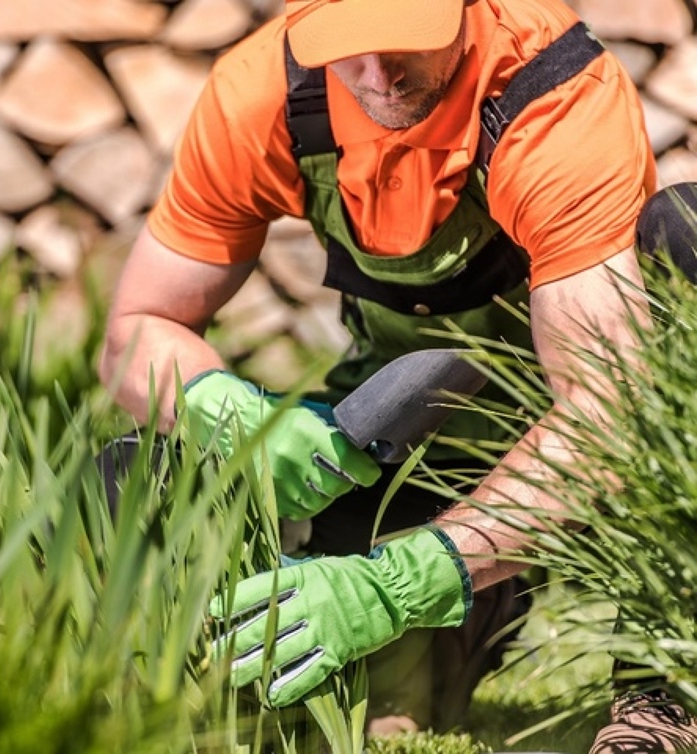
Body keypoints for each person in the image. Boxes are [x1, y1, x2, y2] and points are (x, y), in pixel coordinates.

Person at [97, 0, 697, 747]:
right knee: (135, 472)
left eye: (407, 39)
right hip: (411, 452)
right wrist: (231, 414)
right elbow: (134, 334)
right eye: (346, 46)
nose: (377, 74)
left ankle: (662, 696)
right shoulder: (258, 92)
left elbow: (609, 410)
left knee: (689, 245)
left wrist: (413, 579)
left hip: (579, 456)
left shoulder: (554, 101)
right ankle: (262, 691)